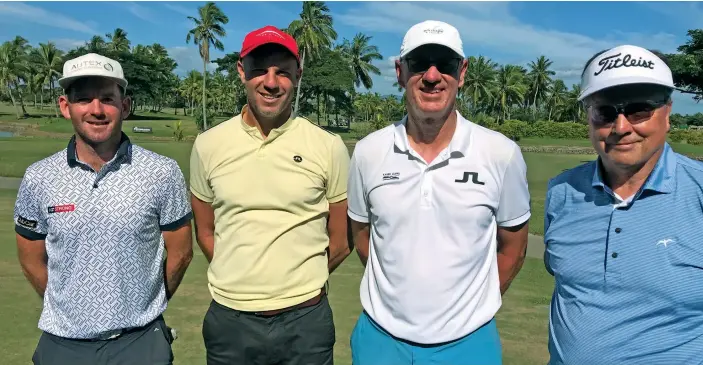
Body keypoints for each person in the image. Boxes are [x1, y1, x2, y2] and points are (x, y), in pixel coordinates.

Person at [347, 20, 531, 365]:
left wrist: (467, 310)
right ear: (401, 72)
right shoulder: (369, 151)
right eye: (419, 64)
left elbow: (513, 247)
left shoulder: (500, 153)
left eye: (444, 64)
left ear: (461, 72)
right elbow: (361, 235)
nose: (432, 76)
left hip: (469, 343)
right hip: (381, 339)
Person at [544, 45, 703, 365]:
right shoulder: (562, 192)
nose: (621, 127)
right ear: (589, 118)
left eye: (638, 109)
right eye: (605, 111)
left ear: (667, 113)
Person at [13, 52, 193, 365]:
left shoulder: (162, 171)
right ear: (65, 106)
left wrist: (144, 306)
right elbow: (30, 257)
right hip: (63, 343)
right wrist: (69, 306)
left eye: (107, 99)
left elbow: (181, 252)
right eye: (83, 99)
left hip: (140, 341)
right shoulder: (39, 177)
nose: (96, 110)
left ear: (124, 106)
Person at [189, 25, 352, 365]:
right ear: (241, 72)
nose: (271, 82)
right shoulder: (208, 145)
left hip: (305, 323)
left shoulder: (327, 146)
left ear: (298, 75)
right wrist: (240, 273)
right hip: (230, 320)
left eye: (283, 72)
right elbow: (205, 230)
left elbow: (341, 239)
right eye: (259, 70)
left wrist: (297, 280)